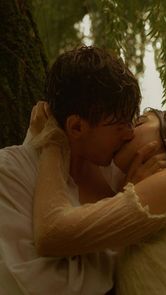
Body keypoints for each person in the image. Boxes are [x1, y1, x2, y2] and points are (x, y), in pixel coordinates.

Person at [30, 104, 166, 295]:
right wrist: (127, 191)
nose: (127, 132)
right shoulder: (154, 204)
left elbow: (52, 232)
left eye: (138, 123)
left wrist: (52, 142)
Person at [0, 45, 151, 294]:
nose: (130, 133)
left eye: (130, 120)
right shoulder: (10, 173)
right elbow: (42, 287)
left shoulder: (117, 172)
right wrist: (122, 241)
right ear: (77, 127)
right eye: (119, 126)